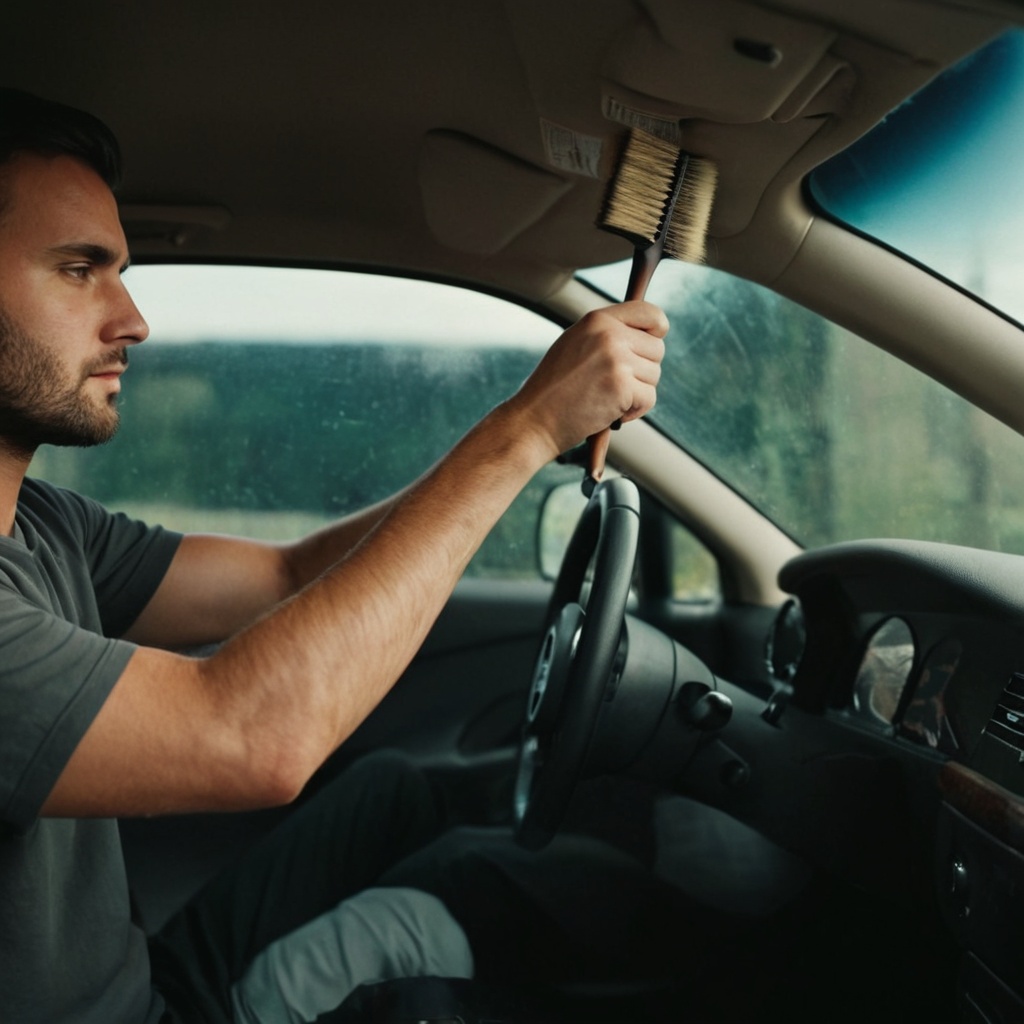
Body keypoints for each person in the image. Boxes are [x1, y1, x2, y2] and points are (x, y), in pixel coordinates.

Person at [0, 87, 668, 1023]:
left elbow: (288, 576)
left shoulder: (44, 525)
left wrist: (524, 440)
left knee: (392, 793)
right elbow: (250, 739)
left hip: (143, 983)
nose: (133, 318)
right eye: (79, 270)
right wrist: (522, 431)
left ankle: (675, 868)